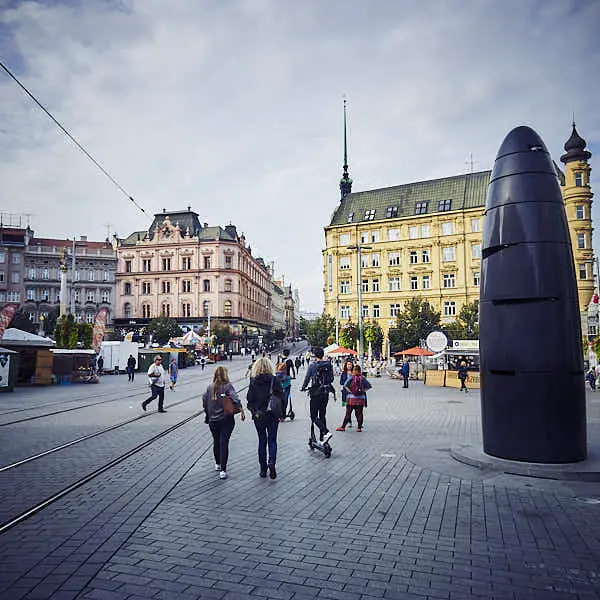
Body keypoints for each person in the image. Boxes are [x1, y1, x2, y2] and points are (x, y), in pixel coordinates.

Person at [202, 366, 245, 480]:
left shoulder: (209, 387)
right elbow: (235, 398)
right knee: (224, 442)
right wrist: (241, 410)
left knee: (216, 441)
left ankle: (217, 464)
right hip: (226, 419)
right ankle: (223, 470)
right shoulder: (227, 386)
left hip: (213, 420)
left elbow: (205, 401)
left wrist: (208, 414)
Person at [246, 357, 284, 479]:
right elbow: (282, 397)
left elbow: (249, 399)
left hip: (259, 415)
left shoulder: (253, 381)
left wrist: (254, 412)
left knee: (262, 441)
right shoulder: (275, 379)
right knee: (272, 440)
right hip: (272, 414)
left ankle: (263, 469)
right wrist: (281, 413)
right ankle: (271, 463)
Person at [300, 347, 334, 444]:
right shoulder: (328, 365)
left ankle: (326, 432)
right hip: (325, 393)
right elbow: (331, 379)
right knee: (322, 415)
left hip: (315, 393)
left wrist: (303, 387)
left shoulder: (312, 366)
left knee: (314, 416)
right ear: (323, 355)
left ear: (314, 355)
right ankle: (322, 438)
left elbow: (307, 379)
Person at [337, 364, 372, 432]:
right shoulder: (363, 377)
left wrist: (350, 391)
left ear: (353, 370)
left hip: (351, 398)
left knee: (348, 413)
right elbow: (369, 386)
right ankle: (359, 428)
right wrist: (363, 391)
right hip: (361, 398)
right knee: (359, 413)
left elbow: (345, 385)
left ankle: (343, 427)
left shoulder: (352, 377)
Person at [276, 349, 296, 420]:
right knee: (286, 397)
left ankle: (279, 413)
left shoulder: (279, 360)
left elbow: (276, 369)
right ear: (288, 354)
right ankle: (283, 414)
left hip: (278, 381)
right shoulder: (289, 361)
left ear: (283, 353)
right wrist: (293, 376)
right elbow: (293, 369)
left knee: (279, 397)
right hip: (286, 381)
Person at [339, 359, 355, 428]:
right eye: (348, 364)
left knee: (356, 407)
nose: (349, 366)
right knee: (348, 408)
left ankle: (359, 421)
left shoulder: (354, 373)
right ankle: (349, 421)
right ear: (346, 365)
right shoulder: (343, 373)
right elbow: (341, 382)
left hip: (353, 392)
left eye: (350, 364)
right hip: (346, 392)